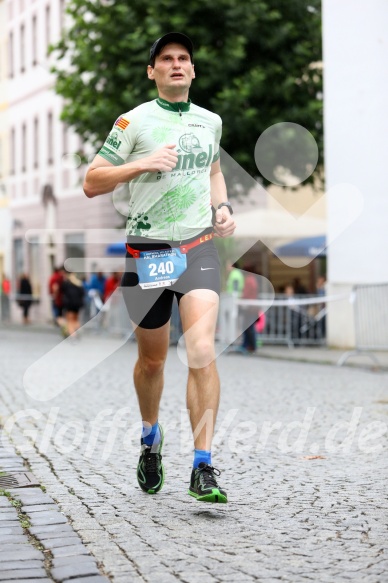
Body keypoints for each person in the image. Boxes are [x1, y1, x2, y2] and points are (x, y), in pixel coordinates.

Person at [83, 32, 236, 503]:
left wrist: (223, 206)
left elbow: (212, 170)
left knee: (201, 349)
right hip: (148, 250)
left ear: (192, 70)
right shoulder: (131, 123)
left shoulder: (210, 122)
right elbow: (91, 181)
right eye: (165, 59)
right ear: (152, 71)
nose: (175, 64)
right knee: (152, 360)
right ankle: (151, 439)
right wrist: (140, 164)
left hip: (198, 248)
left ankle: (203, 465)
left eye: (183, 58)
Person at [241, 265, 259, 352]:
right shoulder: (254, 279)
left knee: (248, 327)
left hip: (249, 307)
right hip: (252, 306)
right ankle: (249, 345)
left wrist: (240, 298)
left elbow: (246, 294)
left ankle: (251, 345)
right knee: (250, 327)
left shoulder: (249, 280)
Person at [61, 272, 85, 337]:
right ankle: (77, 330)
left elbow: (62, 291)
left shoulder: (67, 283)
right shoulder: (79, 284)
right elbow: (82, 293)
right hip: (77, 304)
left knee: (70, 320)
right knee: (75, 319)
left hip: (70, 304)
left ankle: (72, 333)